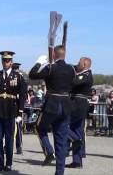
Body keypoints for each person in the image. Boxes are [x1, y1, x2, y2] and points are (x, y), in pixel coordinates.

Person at [29, 45, 75, 175]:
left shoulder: (51, 68)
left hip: (52, 104)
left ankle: (49, 151)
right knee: (61, 140)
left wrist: (38, 63)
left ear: (54, 55)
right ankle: (59, 172)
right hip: (66, 105)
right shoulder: (71, 69)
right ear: (64, 54)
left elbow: (33, 75)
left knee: (39, 127)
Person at [0, 51, 26, 172]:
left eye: (8, 60)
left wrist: (20, 112)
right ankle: (0, 163)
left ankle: (8, 163)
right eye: (4, 60)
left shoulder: (18, 76)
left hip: (11, 110)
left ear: (11, 62)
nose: (6, 62)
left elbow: (23, 94)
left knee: (9, 139)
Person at [67, 57, 93, 169]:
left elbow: (74, 82)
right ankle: (77, 161)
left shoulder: (86, 75)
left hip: (77, 105)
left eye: (78, 63)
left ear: (84, 64)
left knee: (63, 126)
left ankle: (75, 143)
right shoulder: (81, 73)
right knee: (77, 131)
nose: (77, 64)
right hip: (76, 105)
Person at [12, 62, 26, 154]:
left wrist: (21, 109)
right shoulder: (11, 76)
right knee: (9, 127)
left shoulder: (20, 77)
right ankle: (8, 145)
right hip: (11, 104)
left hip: (17, 106)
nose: (17, 70)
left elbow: (23, 93)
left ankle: (19, 146)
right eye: (16, 69)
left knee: (18, 127)